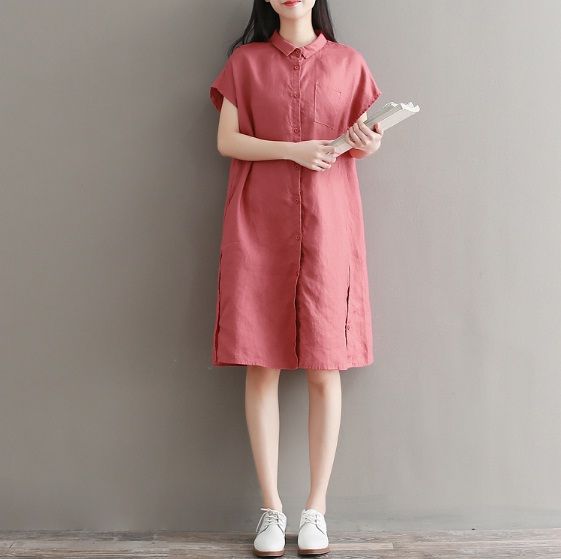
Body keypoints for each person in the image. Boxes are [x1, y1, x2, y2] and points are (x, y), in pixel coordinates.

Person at [209, 0, 383, 556]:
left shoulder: (349, 63)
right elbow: (228, 141)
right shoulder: (245, 63)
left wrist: (369, 142)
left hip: (330, 228)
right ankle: (271, 508)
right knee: (260, 364)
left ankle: (316, 510)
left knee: (325, 367)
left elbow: (365, 139)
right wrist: (295, 151)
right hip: (259, 224)